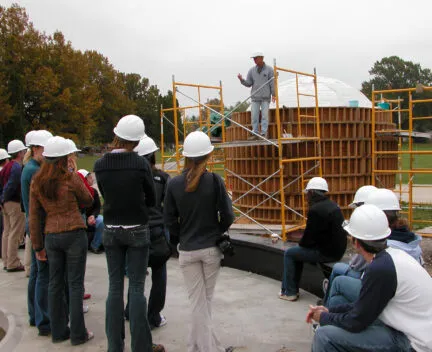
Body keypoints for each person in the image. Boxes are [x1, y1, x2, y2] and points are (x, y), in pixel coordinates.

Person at [307, 204, 432, 352]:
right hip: (414, 332)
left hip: (413, 343)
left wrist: (323, 317)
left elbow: (357, 321)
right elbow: (363, 305)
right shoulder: (390, 258)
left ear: (356, 242)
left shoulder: (380, 268)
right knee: (337, 312)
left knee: (324, 335)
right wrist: (329, 311)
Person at [94, 115, 165, 352]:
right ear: (136, 141)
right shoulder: (140, 164)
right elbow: (152, 198)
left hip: (112, 229)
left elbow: (104, 192)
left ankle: (114, 346)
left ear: (117, 135)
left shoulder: (100, 164)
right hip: (137, 229)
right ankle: (141, 346)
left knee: (115, 287)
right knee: (136, 288)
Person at [164, 131, 235, 352]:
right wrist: (217, 230)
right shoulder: (215, 181)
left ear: (185, 156)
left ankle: (195, 346)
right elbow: (229, 216)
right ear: (208, 155)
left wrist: (182, 234)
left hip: (187, 249)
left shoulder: (174, 184)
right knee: (204, 302)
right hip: (211, 249)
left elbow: (168, 219)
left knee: (199, 303)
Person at [29, 136, 94, 345]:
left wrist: (38, 245)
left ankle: (58, 331)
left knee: (54, 284)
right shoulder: (70, 178)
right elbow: (88, 199)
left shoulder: (37, 182)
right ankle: (78, 333)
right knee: (75, 285)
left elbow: (34, 215)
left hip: (51, 236)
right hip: (74, 233)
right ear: (62, 160)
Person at [280, 177, 347, 301]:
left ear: (311, 193)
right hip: (338, 250)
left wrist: (300, 245)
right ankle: (292, 289)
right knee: (297, 253)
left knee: (290, 253)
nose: (306, 197)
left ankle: (289, 292)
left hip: (327, 253)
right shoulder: (333, 205)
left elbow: (308, 239)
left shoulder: (315, 210)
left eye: (307, 194)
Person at [130, 136, 170, 329]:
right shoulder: (162, 178)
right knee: (159, 275)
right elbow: (169, 205)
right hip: (157, 230)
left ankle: (132, 310)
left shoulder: (130, 177)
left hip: (136, 230)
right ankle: (153, 315)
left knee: (136, 276)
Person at [321, 185, 376, 306]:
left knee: (338, 279)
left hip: (366, 278)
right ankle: (328, 300)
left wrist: (352, 266)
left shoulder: (369, 230)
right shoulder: (378, 225)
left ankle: (326, 304)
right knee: (337, 271)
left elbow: (359, 263)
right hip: (368, 276)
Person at [21, 130, 52, 335]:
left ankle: (35, 314)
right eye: (45, 149)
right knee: (42, 275)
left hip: (33, 225)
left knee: (36, 275)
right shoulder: (34, 171)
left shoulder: (30, 168)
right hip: (38, 226)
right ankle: (43, 319)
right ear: (35, 149)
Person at [0, 139, 27, 272]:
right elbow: (11, 185)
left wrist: (2, 200)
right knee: (15, 232)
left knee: (7, 231)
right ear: (20, 153)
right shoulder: (16, 167)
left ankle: (6, 260)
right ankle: (12, 262)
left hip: (6, 203)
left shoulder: (7, 166)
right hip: (14, 202)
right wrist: (4, 197)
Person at [237, 52, 275, 139]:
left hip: (265, 97)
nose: (254, 60)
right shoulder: (251, 71)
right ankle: (255, 133)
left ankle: (263, 133)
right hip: (255, 97)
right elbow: (249, 83)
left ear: (261, 58)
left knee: (265, 116)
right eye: (253, 59)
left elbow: (272, 83)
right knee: (254, 116)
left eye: (256, 58)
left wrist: (274, 94)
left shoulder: (269, 70)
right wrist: (242, 80)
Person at [77, 169, 104, 254]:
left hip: (91, 217)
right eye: (89, 178)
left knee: (102, 221)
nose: (92, 179)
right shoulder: (77, 192)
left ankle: (95, 245)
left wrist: (93, 216)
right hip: (80, 218)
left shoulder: (94, 191)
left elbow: (97, 207)